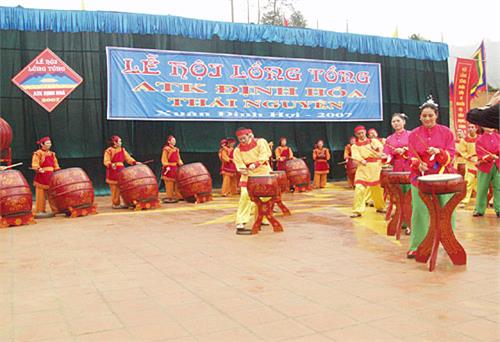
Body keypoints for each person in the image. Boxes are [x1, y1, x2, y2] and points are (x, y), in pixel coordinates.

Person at [406, 97, 456, 258]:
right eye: (424, 116)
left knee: (446, 211)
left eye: (430, 115)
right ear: (420, 117)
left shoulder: (446, 132)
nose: (427, 118)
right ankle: (417, 245)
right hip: (419, 178)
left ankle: (449, 244)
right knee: (419, 212)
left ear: (436, 116)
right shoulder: (414, 134)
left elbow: (451, 155)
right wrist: (417, 164)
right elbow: (411, 156)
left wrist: (440, 153)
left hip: (443, 177)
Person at [233, 128, 272, 235]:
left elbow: (264, 155)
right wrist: (243, 170)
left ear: (250, 136)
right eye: (240, 139)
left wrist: (256, 164)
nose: (242, 141)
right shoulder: (237, 150)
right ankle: (241, 222)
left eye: (244, 138)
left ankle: (262, 217)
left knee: (265, 197)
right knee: (245, 195)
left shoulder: (261, 142)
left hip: (262, 172)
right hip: (248, 175)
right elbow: (238, 163)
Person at [350, 126, 385, 218]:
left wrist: (377, 149)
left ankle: (380, 207)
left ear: (365, 132)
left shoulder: (374, 141)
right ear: (356, 135)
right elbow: (355, 156)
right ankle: (357, 210)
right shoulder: (355, 146)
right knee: (359, 188)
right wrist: (361, 160)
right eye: (359, 134)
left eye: (362, 132)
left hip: (375, 167)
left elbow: (381, 150)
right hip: (363, 168)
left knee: (377, 189)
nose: (361, 135)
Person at [103, 135, 138, 209]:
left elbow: (128, 158)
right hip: (113, 171)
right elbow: (106, 161)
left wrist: (134, 162)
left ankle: (127, 202)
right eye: (120, 141)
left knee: (124, 188)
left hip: (121, 171)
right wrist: (111, 165)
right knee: (115, 189)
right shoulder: (109, 150)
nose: (121, 142)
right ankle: (116, 204)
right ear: (115, 143)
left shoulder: (122, 150)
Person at [473, 127, 499, 217]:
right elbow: (480, 154)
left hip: (498, 166)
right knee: (482, 188)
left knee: (498, 188)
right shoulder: (479, 139)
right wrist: (490, 157)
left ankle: (499, 209)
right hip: (485, 167)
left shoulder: (498, 137)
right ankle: (479, 209)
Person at [31, 136, 60, 217]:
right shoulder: (38, 153)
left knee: (53, 194)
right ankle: (40, 211)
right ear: (42, 144)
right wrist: (38, 168)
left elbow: (55, 164)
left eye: (50, 143)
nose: (49, 144)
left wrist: (57, 170)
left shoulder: (52, 154)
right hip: (41, 176)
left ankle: (56, 209)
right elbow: (35, 163)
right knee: (40, 195)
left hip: (51, 176)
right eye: (47, 143)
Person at [458, 123, 478, 208]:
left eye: (472, 127)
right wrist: (469, 157)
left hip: (481, 163)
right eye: (469, 127)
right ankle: (465, 200)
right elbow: (462, 151)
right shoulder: (464, 140)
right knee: (468, 182)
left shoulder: (480, 139)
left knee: (480, 184)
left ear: (476, 128)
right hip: (470, 164)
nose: (470, 129)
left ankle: (484, 200)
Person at [161, 135, 184, 203]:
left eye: (175, 140)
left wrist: (181, 163)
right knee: (169, 183)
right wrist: (166, 165)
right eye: (173, 140)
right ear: (169, 141)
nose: (174, 142)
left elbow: (178, 158)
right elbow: (164, 159)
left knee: (177, 182)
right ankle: (169, 197)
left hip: (175, 167)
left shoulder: (176, 149)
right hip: (169, 168)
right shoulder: (166, 149)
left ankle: (178, 196)